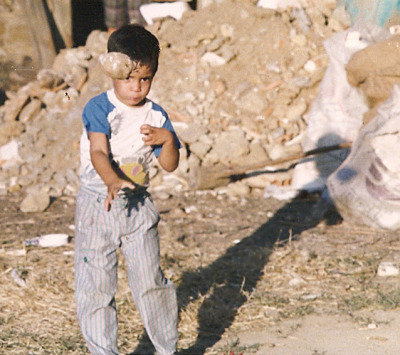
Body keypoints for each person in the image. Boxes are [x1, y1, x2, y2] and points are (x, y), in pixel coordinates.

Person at [74, 24, 180, 355]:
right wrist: (112, 180)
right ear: (112, 71)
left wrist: (169, 140)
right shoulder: (99, 108)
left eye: (145, 79)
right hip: (98, 203)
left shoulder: (156, 115)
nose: (135, 88)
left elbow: (170, 165)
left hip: (137, 204)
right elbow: (98, 152)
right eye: (128, 78)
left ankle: (166, 348)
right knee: (96, 286)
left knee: (151, 283)